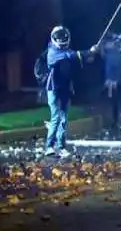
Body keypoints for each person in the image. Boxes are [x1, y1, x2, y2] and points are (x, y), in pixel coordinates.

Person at [44, 26, 98, 158]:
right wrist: (87, 52)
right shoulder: (52, 52)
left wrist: (90, 55)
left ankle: (61, 147)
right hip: (54, 89)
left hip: (65, 89)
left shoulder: (67, 51)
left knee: (63, 119)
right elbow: (70, 56)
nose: (62, 41)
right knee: (56, 117)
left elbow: (76, 60)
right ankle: (49, 146)